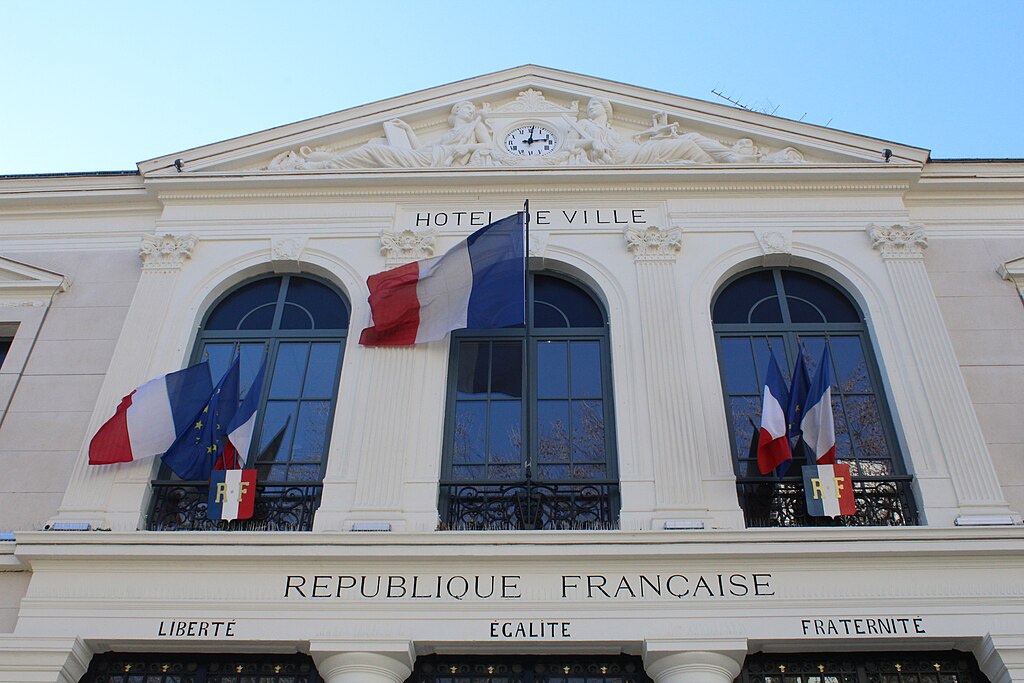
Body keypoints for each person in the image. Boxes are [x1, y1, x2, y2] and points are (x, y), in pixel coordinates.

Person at [269, 101, 495, 170]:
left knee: (372, 150)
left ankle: (320, 165)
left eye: (471, 109)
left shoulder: (475, 127)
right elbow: (421, 148)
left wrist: (467, 148)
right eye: (466, 107)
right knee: (373, 147)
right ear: (456, 111)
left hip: (434, 159)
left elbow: (488, 145)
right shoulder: (454, 132)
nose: (470, 110)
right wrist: (408, 130)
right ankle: (322, 163)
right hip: (427, 158)